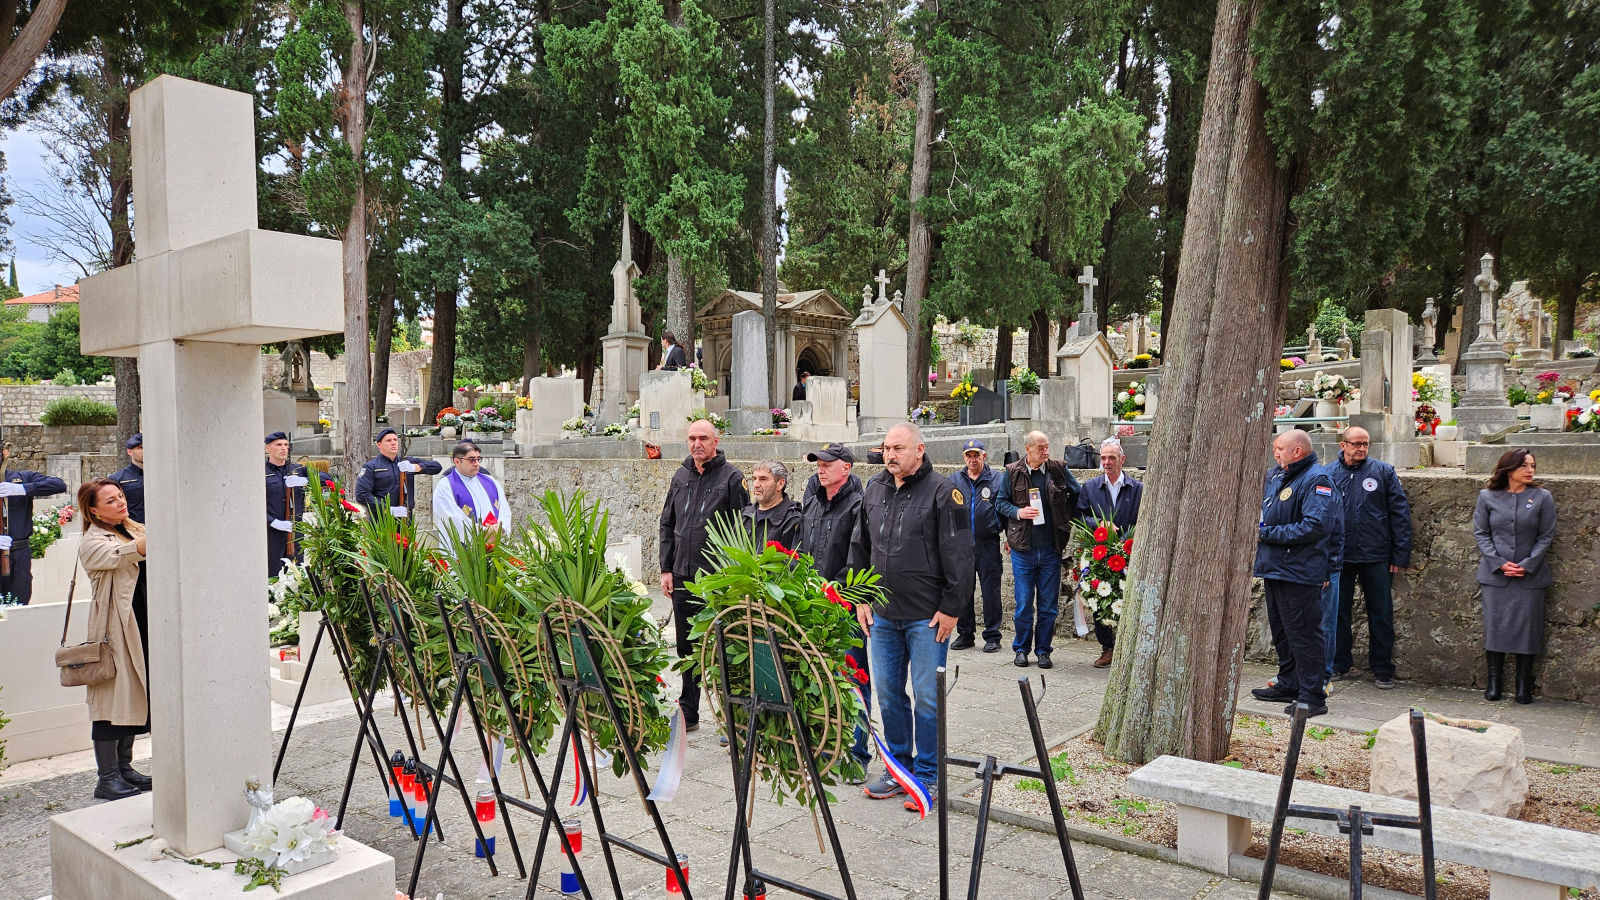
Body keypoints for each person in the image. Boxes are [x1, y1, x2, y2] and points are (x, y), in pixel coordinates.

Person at [849, 423, 973, 808]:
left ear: (919, 450)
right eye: (886, 448)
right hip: (883, 616)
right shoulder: (874, 489)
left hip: (927, 618)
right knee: (888, 694)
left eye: (898, 448)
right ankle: (898, 769)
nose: (890, 455)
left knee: (927, 698)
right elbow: (859, 546)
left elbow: (961, 554)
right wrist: (861, 597)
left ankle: (929, 774)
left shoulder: (944, 492)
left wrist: (951, 608)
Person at [659, 418, 749, 731]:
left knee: (722, 647)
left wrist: (734, 576)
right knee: (686, 647)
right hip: (683, 575)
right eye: (692, 438)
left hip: (716, 579)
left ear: (716, 441)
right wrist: (666, 568)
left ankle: (730, 717)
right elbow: (667, 523)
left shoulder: (732, 478)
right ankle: (689, 712)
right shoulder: (680, 475)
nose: (697, 444)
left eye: (703, 438)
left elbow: (743, 529)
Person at [1252, 429, 1340, 719]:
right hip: (1277, 568)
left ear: (1297, 451)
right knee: (1283, 632)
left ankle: (1312, 696)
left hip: (1299, 571)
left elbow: (1316, 525)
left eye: (1279, 448)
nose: (1275, 453)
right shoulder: (1281, 476)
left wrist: (1267, 534)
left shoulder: (1317, 480)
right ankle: (1289, 682)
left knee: (1304, 635)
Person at [800, 441, 870, 780]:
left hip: (844, 606)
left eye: (828, 463)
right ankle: (827, 748)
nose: (821, 468)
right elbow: (803, 549)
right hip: (813, 606)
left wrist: (834, 590)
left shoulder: (858, 505)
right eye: (818, 463)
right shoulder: (812, 501)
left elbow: (858, 557)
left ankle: (858, 754)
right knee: (820, 678)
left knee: (853, 679)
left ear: (846, 468)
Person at [77, 478, 151, 800]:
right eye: (110, 500)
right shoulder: (92, 541)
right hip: (114, 630)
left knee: (132, 697)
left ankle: (124, 769)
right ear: (93, 510)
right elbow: (121, 555)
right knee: (110, 701)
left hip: (141, 623)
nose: (120, 502)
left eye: (120, 496)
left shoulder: (133, 528)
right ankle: (107, 779)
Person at [1322, 426, 1412, 689]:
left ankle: (1382, 668)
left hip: (1376, 555)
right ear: (1343, 445)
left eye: (1365, 444)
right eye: (1356, 444)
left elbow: (1400, 515)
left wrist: (1399, 555)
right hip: (1340, 556)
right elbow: (1321, 516)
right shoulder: (1327, 474)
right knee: (1339, 612)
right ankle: (1339, 663)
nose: (1361, 448)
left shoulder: (1383, 472)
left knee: (1381, 612)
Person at [1473, 448, 1556, 705]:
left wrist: (1528, 564)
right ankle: (1494, 682)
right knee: (1495, 627)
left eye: (1533, 466)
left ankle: (1523, 685)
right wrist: (1499, 563)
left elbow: (1546, 535)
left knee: (1528, 630)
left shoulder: (1542, 497)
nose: (1531, 470)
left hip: (1530, 577)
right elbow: (1481, 533)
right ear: (1509, 468)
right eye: (1525, 466)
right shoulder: (1487, 496)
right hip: (1495, 576)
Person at [994, 431, 1079, 669]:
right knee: (1023, 604)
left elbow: (1077, 492)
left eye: (1047, 446)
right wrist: (1019, 512)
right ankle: (1021, 649)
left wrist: (1065, 517)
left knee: (1048, 606)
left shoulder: (1058, 469)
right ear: (1028, 449)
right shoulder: (1013, 472)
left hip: (1051, 549)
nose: (1045, 451)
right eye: (1040, 447)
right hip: (1024, 550)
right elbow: (1000, 502)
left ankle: (1043, 651)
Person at [1075, 437, 1143, 668]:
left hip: (1129, 552)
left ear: (1122, 459)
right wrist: (1099, 524)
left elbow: (1143, 518)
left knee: (1127, 600)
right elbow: (1080, 516)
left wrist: (1129, 541)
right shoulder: (1090, 487)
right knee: (1098, 599)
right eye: (1103, 458)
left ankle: (1128, 648)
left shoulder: (1137, 488)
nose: (1106, 462)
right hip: (1100, 553)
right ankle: (1108, 648)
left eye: (1111, 458)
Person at [949, 438, 1003, 653]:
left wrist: (1001, 530)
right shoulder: (954, 480)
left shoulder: (997, 479)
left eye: (976, 455)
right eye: (968, 456)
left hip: (988, 543)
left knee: (991, 592)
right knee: (963, 591)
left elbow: (1004, 508)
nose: (972, 460)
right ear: (964, 458)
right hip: (962, 546)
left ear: (984, 456)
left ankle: (992, 635)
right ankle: (965, 634)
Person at [0, 443, 68, 605]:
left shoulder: (22, 478)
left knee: (19, 603)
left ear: (5, 453)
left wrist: (23, 488)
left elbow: (59, 485)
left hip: (19, 553)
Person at [431, 440, 511, 549]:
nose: (477, 463)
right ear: (457, 461)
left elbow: (504, 510)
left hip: (494, 543)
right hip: (463, 548)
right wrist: (484, 532)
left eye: (478, 459)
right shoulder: (445, 485)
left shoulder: (490, 481)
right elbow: (451, 517)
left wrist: (501, 529)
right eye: (471, 459)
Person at [354, 428, 442, 520]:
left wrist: (414, 467)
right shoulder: (371, 467)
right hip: (382, 519)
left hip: (406, 517)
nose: (393, 443)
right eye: (388, 440)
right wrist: (388, 509)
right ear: (379, 445)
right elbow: (362, 495)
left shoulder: (406, 462)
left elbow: (437, 467)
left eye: (395, 440)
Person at [264, 432, 311, 578]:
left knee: (296, 575)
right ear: (268, 449)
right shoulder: (260, 472)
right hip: (271, 533)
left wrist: (305, 480)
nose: (284, 448)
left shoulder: (297, 470)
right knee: (273, 576)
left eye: (286, 445)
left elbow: (325, 478)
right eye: (279, 445)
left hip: (295, 532)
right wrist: (272, 522)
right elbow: (251, 505)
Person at [741, 459, 802, 548]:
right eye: (754, 479)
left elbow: (792, 555)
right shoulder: (745, 515)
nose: (756, 485)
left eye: (763, 479)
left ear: (780, 484)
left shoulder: (792, 520)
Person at [109, 433, 145, 524]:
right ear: (129, 452)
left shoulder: (167, 475)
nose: (145, 450)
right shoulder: (118, 479)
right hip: (134, 529)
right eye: (140, 448)